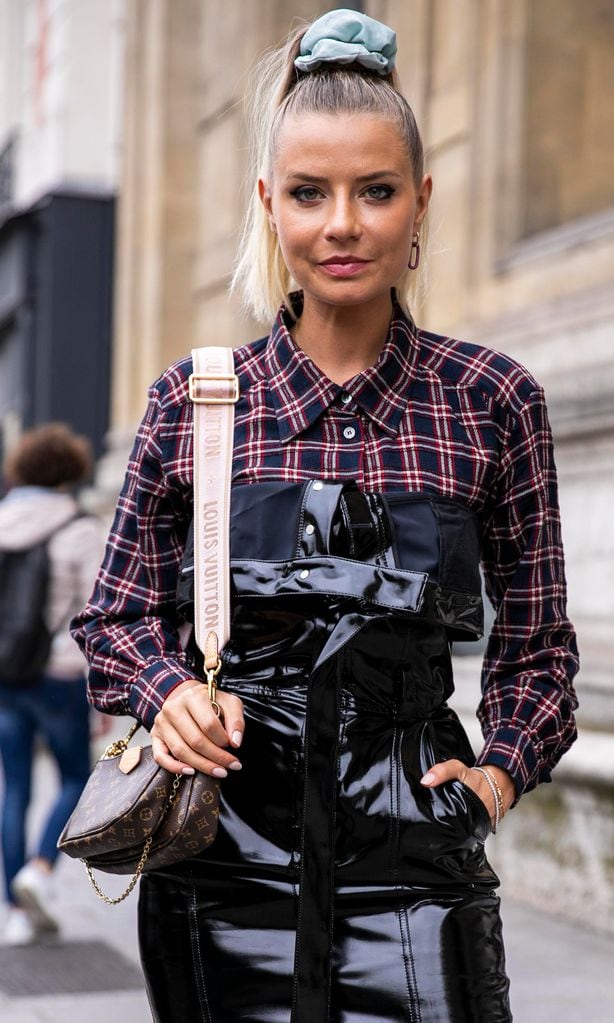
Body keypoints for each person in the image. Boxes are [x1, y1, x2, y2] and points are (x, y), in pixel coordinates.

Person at [72, 9, 579, 1021]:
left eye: (374, 191)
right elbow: (112, 620)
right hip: (218, 877)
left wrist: (491, 778)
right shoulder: (196, 400)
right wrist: (170, 692)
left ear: (419, 202)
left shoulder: (489, 400)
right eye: (308, 193)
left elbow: (540, 656)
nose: (340, 225)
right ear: (268, 204)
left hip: (419, 875)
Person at [0, 422, 104, 945]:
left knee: (14, 785)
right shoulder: (80, 528)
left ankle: (16, 910)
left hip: (4, 673)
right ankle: (40, 870)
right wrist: (103, 689)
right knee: (76, 779)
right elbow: (97, 612)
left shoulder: (1, 520)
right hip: (60, 674)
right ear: (71, 472)